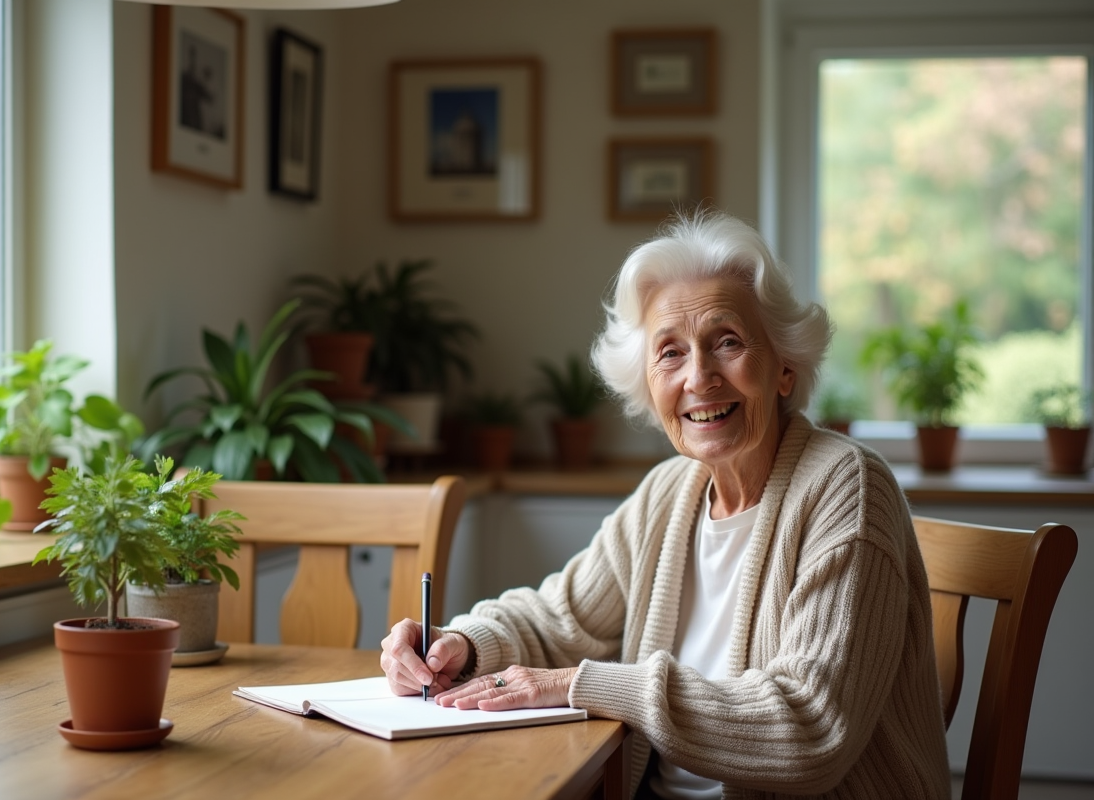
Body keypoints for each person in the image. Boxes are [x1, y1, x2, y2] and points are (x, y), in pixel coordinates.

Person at [380, 211, 951, 799]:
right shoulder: (669, 493)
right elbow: (559, 620)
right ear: (649, 387)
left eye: (727, 342)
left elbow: (808, 729)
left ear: (784, 368)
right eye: (670, 353)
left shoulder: (847, 487)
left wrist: (585, 685)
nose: (699, 378)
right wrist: (461, 645)